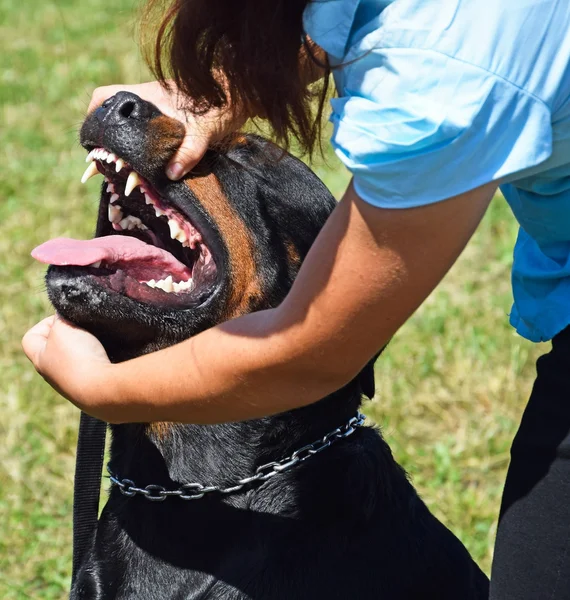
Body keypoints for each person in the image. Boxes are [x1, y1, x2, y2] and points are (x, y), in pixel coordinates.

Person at [22, 0, 570, 598]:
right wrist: (209, 95)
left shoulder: (446, 73)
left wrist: (103, 392)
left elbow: (313, 348)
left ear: (302, 266)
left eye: (240, 169)